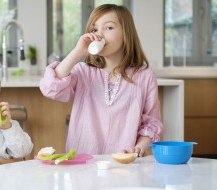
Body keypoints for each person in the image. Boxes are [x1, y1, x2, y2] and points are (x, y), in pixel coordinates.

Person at [40, 4, 163, 156]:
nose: (100, 35)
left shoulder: (145, 76)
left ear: (126, 33)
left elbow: (151, 123)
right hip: (83, 162)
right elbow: (50, 89)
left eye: (109, 28)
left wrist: (140, 146)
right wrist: (77, 52)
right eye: (94, 29)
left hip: (124, 163)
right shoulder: (83, 72)